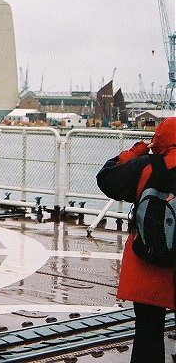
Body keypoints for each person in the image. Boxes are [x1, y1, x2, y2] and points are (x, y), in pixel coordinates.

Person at [97, 116, 176, 362]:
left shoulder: (146, 166)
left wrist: (137, 150)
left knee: (148, 333)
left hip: (149, 260)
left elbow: (107, 178)